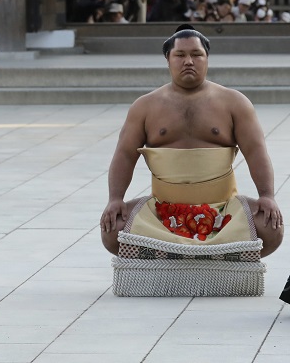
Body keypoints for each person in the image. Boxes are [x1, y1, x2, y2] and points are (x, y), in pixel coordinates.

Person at [100, 25, 283, 257]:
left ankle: (176, 256)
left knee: (270, 227)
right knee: (112, 228)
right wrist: (115, 198)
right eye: (180, 55)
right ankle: (207, 256)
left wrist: (267, 195)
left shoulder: (234, 102)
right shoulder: (144, 106)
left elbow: (256, 152)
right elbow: (125, 155)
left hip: (223, 209)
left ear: (207, 59)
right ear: (168, 59)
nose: (189, 61)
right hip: (162, 211)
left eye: (196, 55)